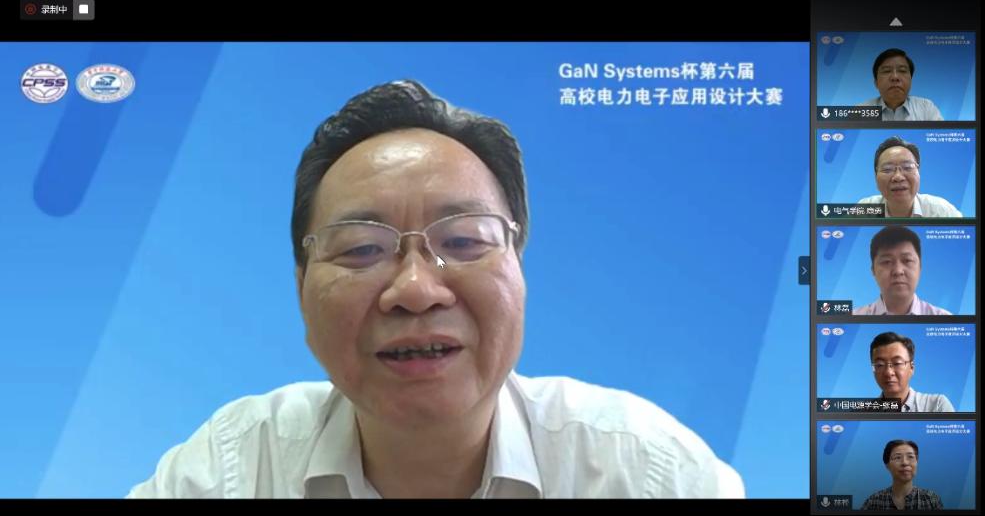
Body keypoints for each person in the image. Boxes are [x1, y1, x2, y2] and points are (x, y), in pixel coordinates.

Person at [127, 80, 744, 499]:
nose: (416, 290)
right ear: (301, 290)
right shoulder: (232, 471)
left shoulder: (645, 472)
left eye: (465, 240)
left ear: (519, 269)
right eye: (361, 249)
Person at [853, 226, 951, 316]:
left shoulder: (944, 319)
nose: (898, 271)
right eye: (887, 262)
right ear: (873, 270)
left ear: (920, 267)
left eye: (907, 260)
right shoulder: (853, 318)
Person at [857, 137, 962, 218]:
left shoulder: (942, 211)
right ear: (875, 176)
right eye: (888, 169)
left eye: (907, 167)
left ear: (918, 172)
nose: (898, 177)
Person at [868, 332, 954, 412]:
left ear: (911, 368)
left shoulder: (936, 405)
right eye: (880, 364)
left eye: (897, 363)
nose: (888, 372)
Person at [859, 48, 943, 121]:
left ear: (911, 80)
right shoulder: (861, 110)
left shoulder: (926, 108)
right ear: (876, 83)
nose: (895, 77)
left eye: (902, 71)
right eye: (886, 71)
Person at [861, 440, 943, 510]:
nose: (905, 463)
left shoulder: (931, 499)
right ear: (887, 465)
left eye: (910, 457)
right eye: (897, 457)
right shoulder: (873, 502)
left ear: (917, 462)